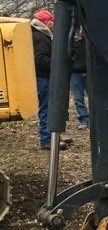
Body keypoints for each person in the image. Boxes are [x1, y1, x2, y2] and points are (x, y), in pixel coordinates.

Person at [30, 9, 71, 151]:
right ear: (45, 22)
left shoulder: (41, 34)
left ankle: (54, 135)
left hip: (45, 76)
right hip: (43, 77)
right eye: (52, 21)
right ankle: (46, 139)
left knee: (51, 107)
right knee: (46, 108)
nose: (54, 24)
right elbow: (40, 59)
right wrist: (57, 64)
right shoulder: (40, 37)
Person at [70, 27, 89, 130]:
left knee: (94, 97)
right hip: (76, 73)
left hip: (88, 72)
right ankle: (84, 120)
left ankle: (94, 119)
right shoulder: (72, 43)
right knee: (78, 98)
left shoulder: (90, 43)